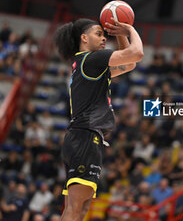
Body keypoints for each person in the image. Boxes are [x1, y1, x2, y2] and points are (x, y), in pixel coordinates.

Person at [54, 17, 143, 221]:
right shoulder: (93, 59)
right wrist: (129, 29)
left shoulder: (88, 64)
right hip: (85, 137)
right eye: (99, 34)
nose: (104, 38)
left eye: (104, 35)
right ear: (84, 38)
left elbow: (128, 64)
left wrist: (119, 34)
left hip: (82, 137)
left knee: (81, 208)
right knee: (76, 209)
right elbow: (137, 54)